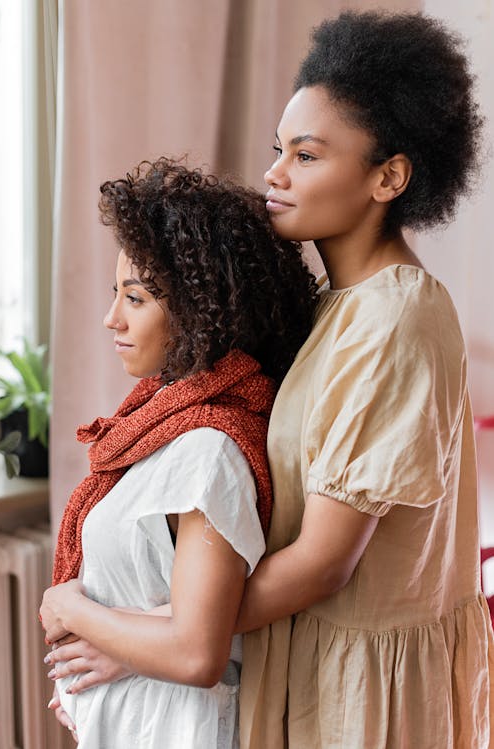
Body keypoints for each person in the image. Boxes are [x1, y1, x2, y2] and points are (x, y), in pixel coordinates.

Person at [231, 10, 494, 749]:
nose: (274, 174)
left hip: (360, 705)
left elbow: (323, 563)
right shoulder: (335, 307)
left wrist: (158, 629)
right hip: (315, 668)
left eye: (306, 156)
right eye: (278, 150)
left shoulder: (395, 317)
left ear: (389, 176)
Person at [39, 157, 317, 748]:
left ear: (198, 313)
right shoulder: (158, 425)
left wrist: (69, 608)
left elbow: (197, 652)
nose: (111, 318)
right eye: (117, 293)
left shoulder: (209, 450)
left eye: (136, 299)